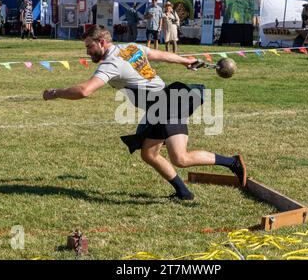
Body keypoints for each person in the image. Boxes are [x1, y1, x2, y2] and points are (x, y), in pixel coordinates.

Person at [42, 25, 246, 201]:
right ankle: (184, 193)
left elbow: (85, 90)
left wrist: (56, 93)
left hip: (165, 105)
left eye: (90, 46)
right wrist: (184, 61)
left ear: (102, 42)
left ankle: (232, 162)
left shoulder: (111, 64)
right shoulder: (130, 48)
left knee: (181, 158)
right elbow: (162, 55)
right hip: (164, 103)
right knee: (149, 154)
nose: (87, 52)